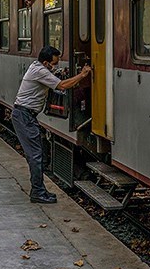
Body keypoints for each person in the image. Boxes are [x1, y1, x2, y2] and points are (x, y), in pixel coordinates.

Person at [12, 46, 91, 203]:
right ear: (46, 62)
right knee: (36, 156)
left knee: (37, 154)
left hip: (25, 116)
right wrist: (82, 75)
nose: (55, 66)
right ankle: (37, 192)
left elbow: (53, 77)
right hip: (24, 116)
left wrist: (57, 73)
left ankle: (39, 190)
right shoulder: (39, 71)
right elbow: (62, 86)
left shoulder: (37, 67)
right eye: (54, 64)